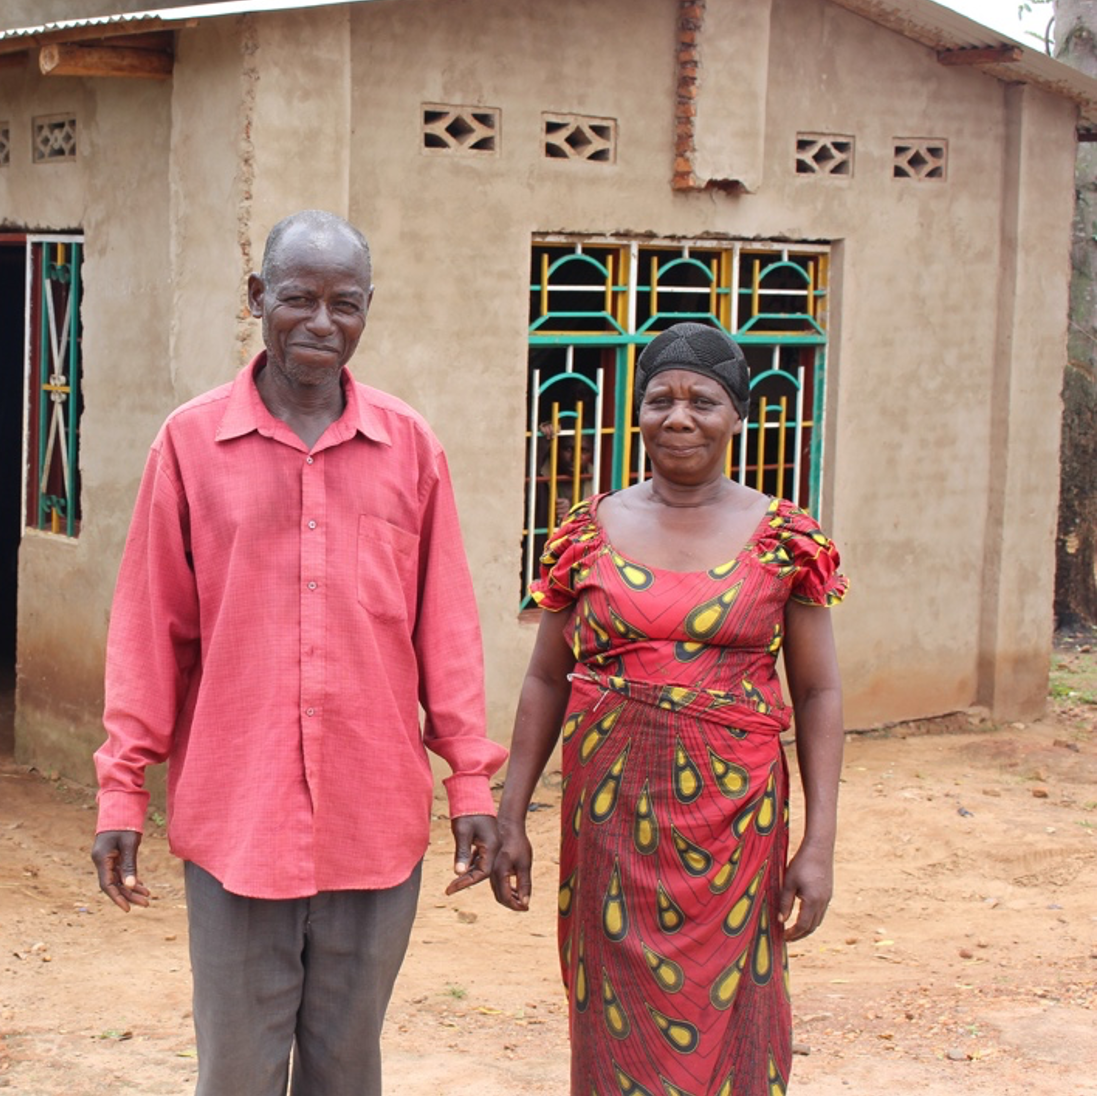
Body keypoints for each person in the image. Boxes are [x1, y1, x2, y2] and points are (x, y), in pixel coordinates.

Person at [91, 209, 507, 1096]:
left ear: (366, 311)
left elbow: (449, 632)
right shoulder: (190, 445)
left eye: (344, 304)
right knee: (237, 1073)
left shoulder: (412, 449)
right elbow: (147, 631)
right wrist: (121, 790)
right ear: (257, 299)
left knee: (346, 1071)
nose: (322, 324)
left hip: (374, 818)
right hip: (239, 822)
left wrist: (471, 778)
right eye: (299, 299)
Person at [490, 322, 846, 1096]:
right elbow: (546, 679)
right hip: (610, 825)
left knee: (734, 1003)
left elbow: (818, 692)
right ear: (639, 414)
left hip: (738, 828)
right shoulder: (586, 532)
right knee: (613, 1007)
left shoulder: (784, 537)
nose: (679, 416)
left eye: (703, 401)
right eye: (660, 399)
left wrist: (817, 845)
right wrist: (511, 815)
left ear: (738, 416)